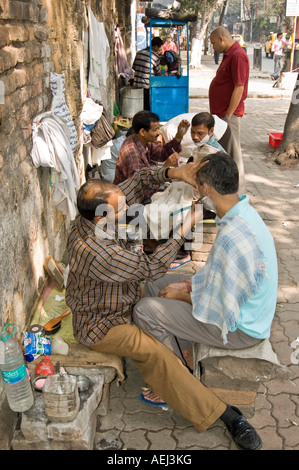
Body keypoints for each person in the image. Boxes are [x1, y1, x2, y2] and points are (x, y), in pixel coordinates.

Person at [65, 161, 262, 451]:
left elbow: (139, 180)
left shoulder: (100, 210)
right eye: (120, 210)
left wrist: (174, 172)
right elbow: (152, 266)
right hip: (103, 324)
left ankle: (182, 365)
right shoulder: (95, 251)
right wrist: (184, 228)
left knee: (178, 281)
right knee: (156, 354)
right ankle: (223, 414)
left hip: (124, 294)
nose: (127, 211)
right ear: (100, 218)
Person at [133, 154, 277, 443]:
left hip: (241, 329)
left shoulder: (232, 235)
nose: (195, 192)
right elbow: (215, 276)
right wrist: (186, 286)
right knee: (154, 282)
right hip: (240, 308)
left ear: (207, 189)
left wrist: (183, 294)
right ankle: (182, 355)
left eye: (197, 186)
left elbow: (220, 306)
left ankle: (171, 384)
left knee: (145, 310)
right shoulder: (241, 211)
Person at [113, 110, 189, 201]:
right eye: (155, 129)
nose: (158, 133)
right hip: (128, 201)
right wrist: (165, 169)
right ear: (143, 132)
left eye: (158, 128)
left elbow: (161, 153)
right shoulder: (132, 153)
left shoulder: (143, 141)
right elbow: (141, 190)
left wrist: (178, 136)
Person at [209, 26, 249, 193]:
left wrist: (229, 115)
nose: (213, 47)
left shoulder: (238, 56)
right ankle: (225, 189)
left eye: (213, 43)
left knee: (234, 155)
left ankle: (239, 193)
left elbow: (239, 87)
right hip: (221, 115)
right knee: (224, 153)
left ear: (221, 39)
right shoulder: (229, 55)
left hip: (228, 115)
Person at [132, 37, 163, 110]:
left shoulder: (139, 53)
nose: (159, 50)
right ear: (156, 46)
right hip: (147, 85)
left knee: (138, 108)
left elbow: (134, 67)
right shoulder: (155, 56)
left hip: (136, 84)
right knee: (146, 108)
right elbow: (159, 73)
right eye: (159, 47)